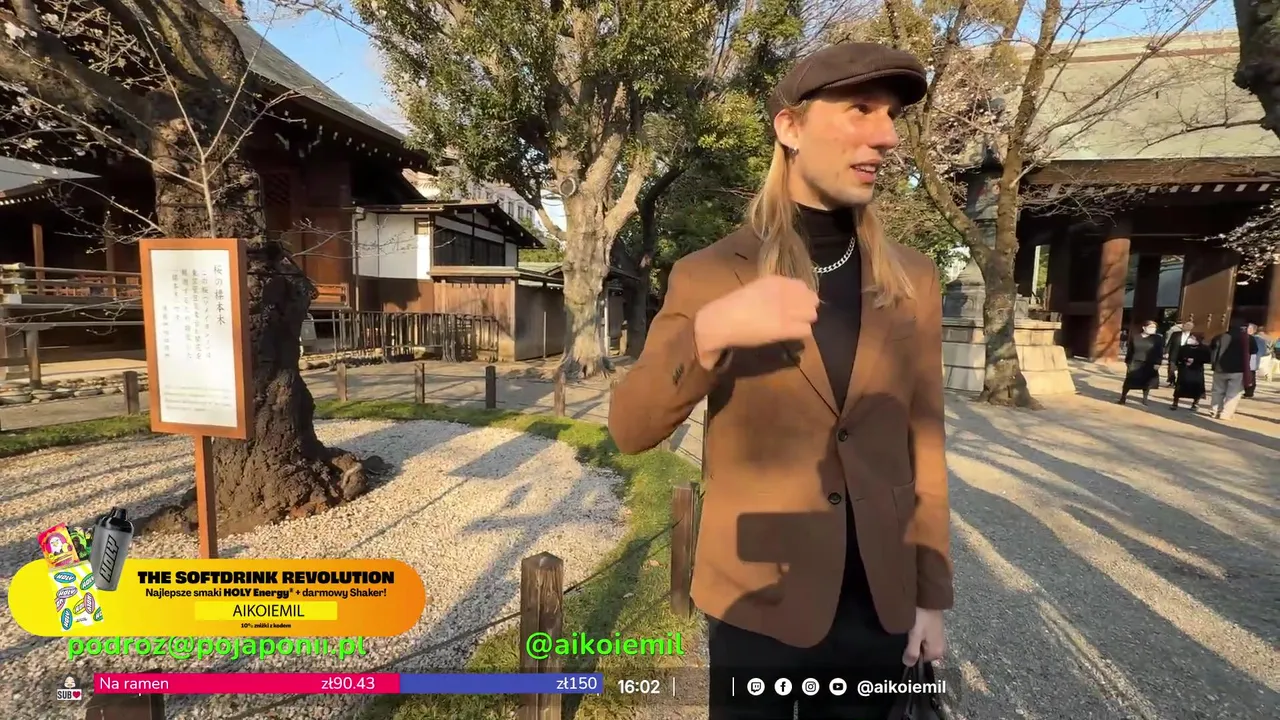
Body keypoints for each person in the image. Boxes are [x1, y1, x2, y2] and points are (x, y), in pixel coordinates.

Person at [608, 42, 949, 720]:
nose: (886, 135)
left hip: (878, 604)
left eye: (891, 115)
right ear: (790, 127)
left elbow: (926, 445)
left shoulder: (914, 278)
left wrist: (930, 598)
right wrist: (710, 333)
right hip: (755, 600)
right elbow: (629, 428)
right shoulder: (710, 273)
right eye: (860, 109)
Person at [1208, 318, 1258, 420]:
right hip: (1238, 370)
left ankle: (1215, 411)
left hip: (1219, 368)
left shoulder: (1219, 337)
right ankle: (1225, 414)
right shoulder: (1248, 339)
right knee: (1233, 394)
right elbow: (1254, 351)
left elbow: (1211, 348)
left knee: (1217, 391)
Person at [1118, 320, 1163, 405]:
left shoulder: (1157, 339)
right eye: (1150, 327)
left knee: (1146, 381)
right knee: (1130, 380)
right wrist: (1127, 361)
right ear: (1144, 327)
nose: (1153, 329)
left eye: (1154, 327)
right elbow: (1130, 350)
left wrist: (1158, 363)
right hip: (1135, 362)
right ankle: (1123, 397)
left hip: (1149, 363)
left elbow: (1159, 352)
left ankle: (1145, 398)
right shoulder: (1135, 337)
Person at [1170, 332, 1209, 411]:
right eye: (1190, 338)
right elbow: (1178, 357)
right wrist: (1184, 360)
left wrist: (1196, 360)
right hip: (1184, 369)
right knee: (1180, 386)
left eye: (1192, 338)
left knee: (1197, 387)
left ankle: (1195, 403)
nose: (1190, 339)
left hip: (1196, 370)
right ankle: (1175, 402)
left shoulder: (1204, 349)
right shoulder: (1184, 348)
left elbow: (1207, 359)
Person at [1164, 320, 1194, 386]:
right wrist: (1166, 352)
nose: (1186, 327)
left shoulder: (1192, 336)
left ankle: (1179, 382)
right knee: (1171, 369)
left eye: (1189, 326)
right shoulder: (1176, 334)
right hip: (1174, 353)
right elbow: (1170, 343)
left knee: (1182, 370)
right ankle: (1172, 381)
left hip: (1185, 355)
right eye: (1186, 325)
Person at [1242, 323, 1267, 398]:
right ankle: (1248, 391)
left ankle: (1249, 392)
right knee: (1251, 375)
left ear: (1254, 330)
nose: (1247, 330)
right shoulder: (1259, 339)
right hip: (1253, 360)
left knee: (1251, 376)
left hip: (1252, 359)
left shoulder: (1257, 339)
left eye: (1249, 329)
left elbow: (1262, 351)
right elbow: (1264, 351)